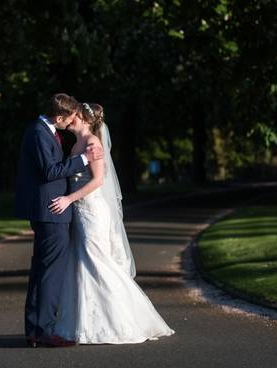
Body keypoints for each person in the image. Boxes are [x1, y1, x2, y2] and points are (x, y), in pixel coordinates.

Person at [47, 102, 174, 344]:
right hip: (80, 211)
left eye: (76, 115)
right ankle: (86, 324)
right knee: (82, 263)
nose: (71, 118)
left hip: (92, 211)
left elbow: (97, 181)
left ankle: (123, 321)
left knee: (96, 261)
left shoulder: (93, 143)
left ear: (85, 120)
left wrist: (68, 199)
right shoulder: (75, 144)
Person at [14, 94, 103, 348]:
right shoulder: (39, 132)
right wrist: (85, 158)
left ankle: (35, 329)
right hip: (51, 211)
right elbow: (50, 171)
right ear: (59, 117)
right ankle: (43, 330)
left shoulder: (44, 130)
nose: (73, 121)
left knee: (42, 271)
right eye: (70, 117)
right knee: (50, 273)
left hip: (48, 211)